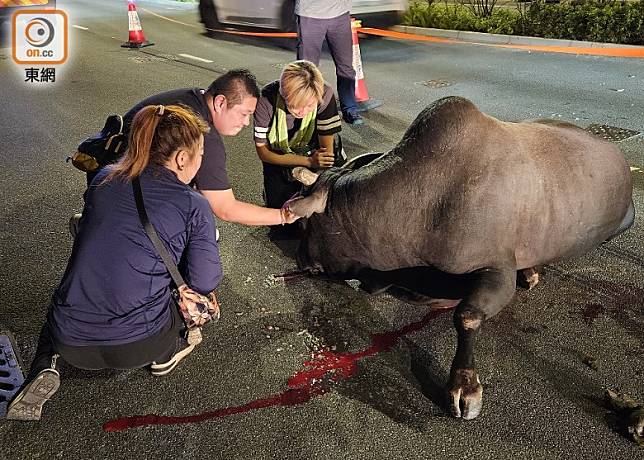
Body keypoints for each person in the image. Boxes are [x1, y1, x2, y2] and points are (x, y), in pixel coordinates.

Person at [7, 105, 222, 421]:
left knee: (65, 297)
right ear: (181, 159)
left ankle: (44, 363)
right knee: (198, 298)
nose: (202, 161)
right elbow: (205, 281)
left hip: (69, 340)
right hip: (139, 344)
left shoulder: (104, 178)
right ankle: (167, 353)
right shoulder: (194, 204)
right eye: (200, 154)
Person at [84, 69, 297, 230]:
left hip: (105, 179)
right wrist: (282, 216)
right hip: (124, 196)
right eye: (244, 113)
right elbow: (225, 208)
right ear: (221, 102)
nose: (246, 122)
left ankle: (94, 224)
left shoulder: (191, 98)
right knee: (197, 221)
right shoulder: (201, 132)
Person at [253, 60, 345, 217]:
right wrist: (306, 163)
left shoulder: (325, 93)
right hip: (279, 154)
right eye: (295, 106)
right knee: (282, 220)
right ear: (284, 95)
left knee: (332, 206)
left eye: (309, 106)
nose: (302, 111)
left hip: (313, 149)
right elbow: (263, 151)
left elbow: (326, 153)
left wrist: (317, 179)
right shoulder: (266, 99)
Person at [295, 0, 364, 126]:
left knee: (346, 67)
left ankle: (350, 109)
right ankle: (306, 112)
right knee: (306, 70)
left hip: (340, 13)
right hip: (310, 14)